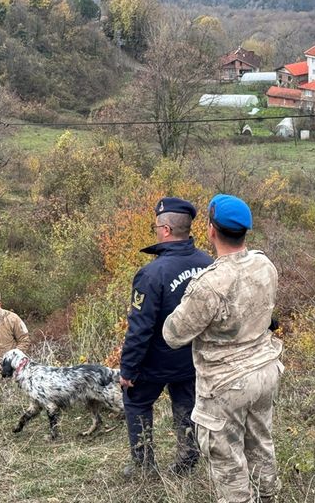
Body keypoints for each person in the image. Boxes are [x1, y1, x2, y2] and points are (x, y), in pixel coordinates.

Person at [163, 194, 284, 503]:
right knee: (260, 443)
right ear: (245, 230)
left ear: (211, 230)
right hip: (265, 370)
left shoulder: (210, 283)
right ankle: (266, 496)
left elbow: (173, 334)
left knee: (227, 460)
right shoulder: (264, 264)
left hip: (226, 384)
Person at [120, 197, 214, 477]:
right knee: (187, 407)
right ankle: (186, 462)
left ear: (165, 230)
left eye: (155, 226)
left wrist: (128, 369)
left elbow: (140, 327)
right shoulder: (208, 264)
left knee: (136, 403)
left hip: (155, 363)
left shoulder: (152, 273)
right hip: (193, 360)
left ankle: (144, 465)